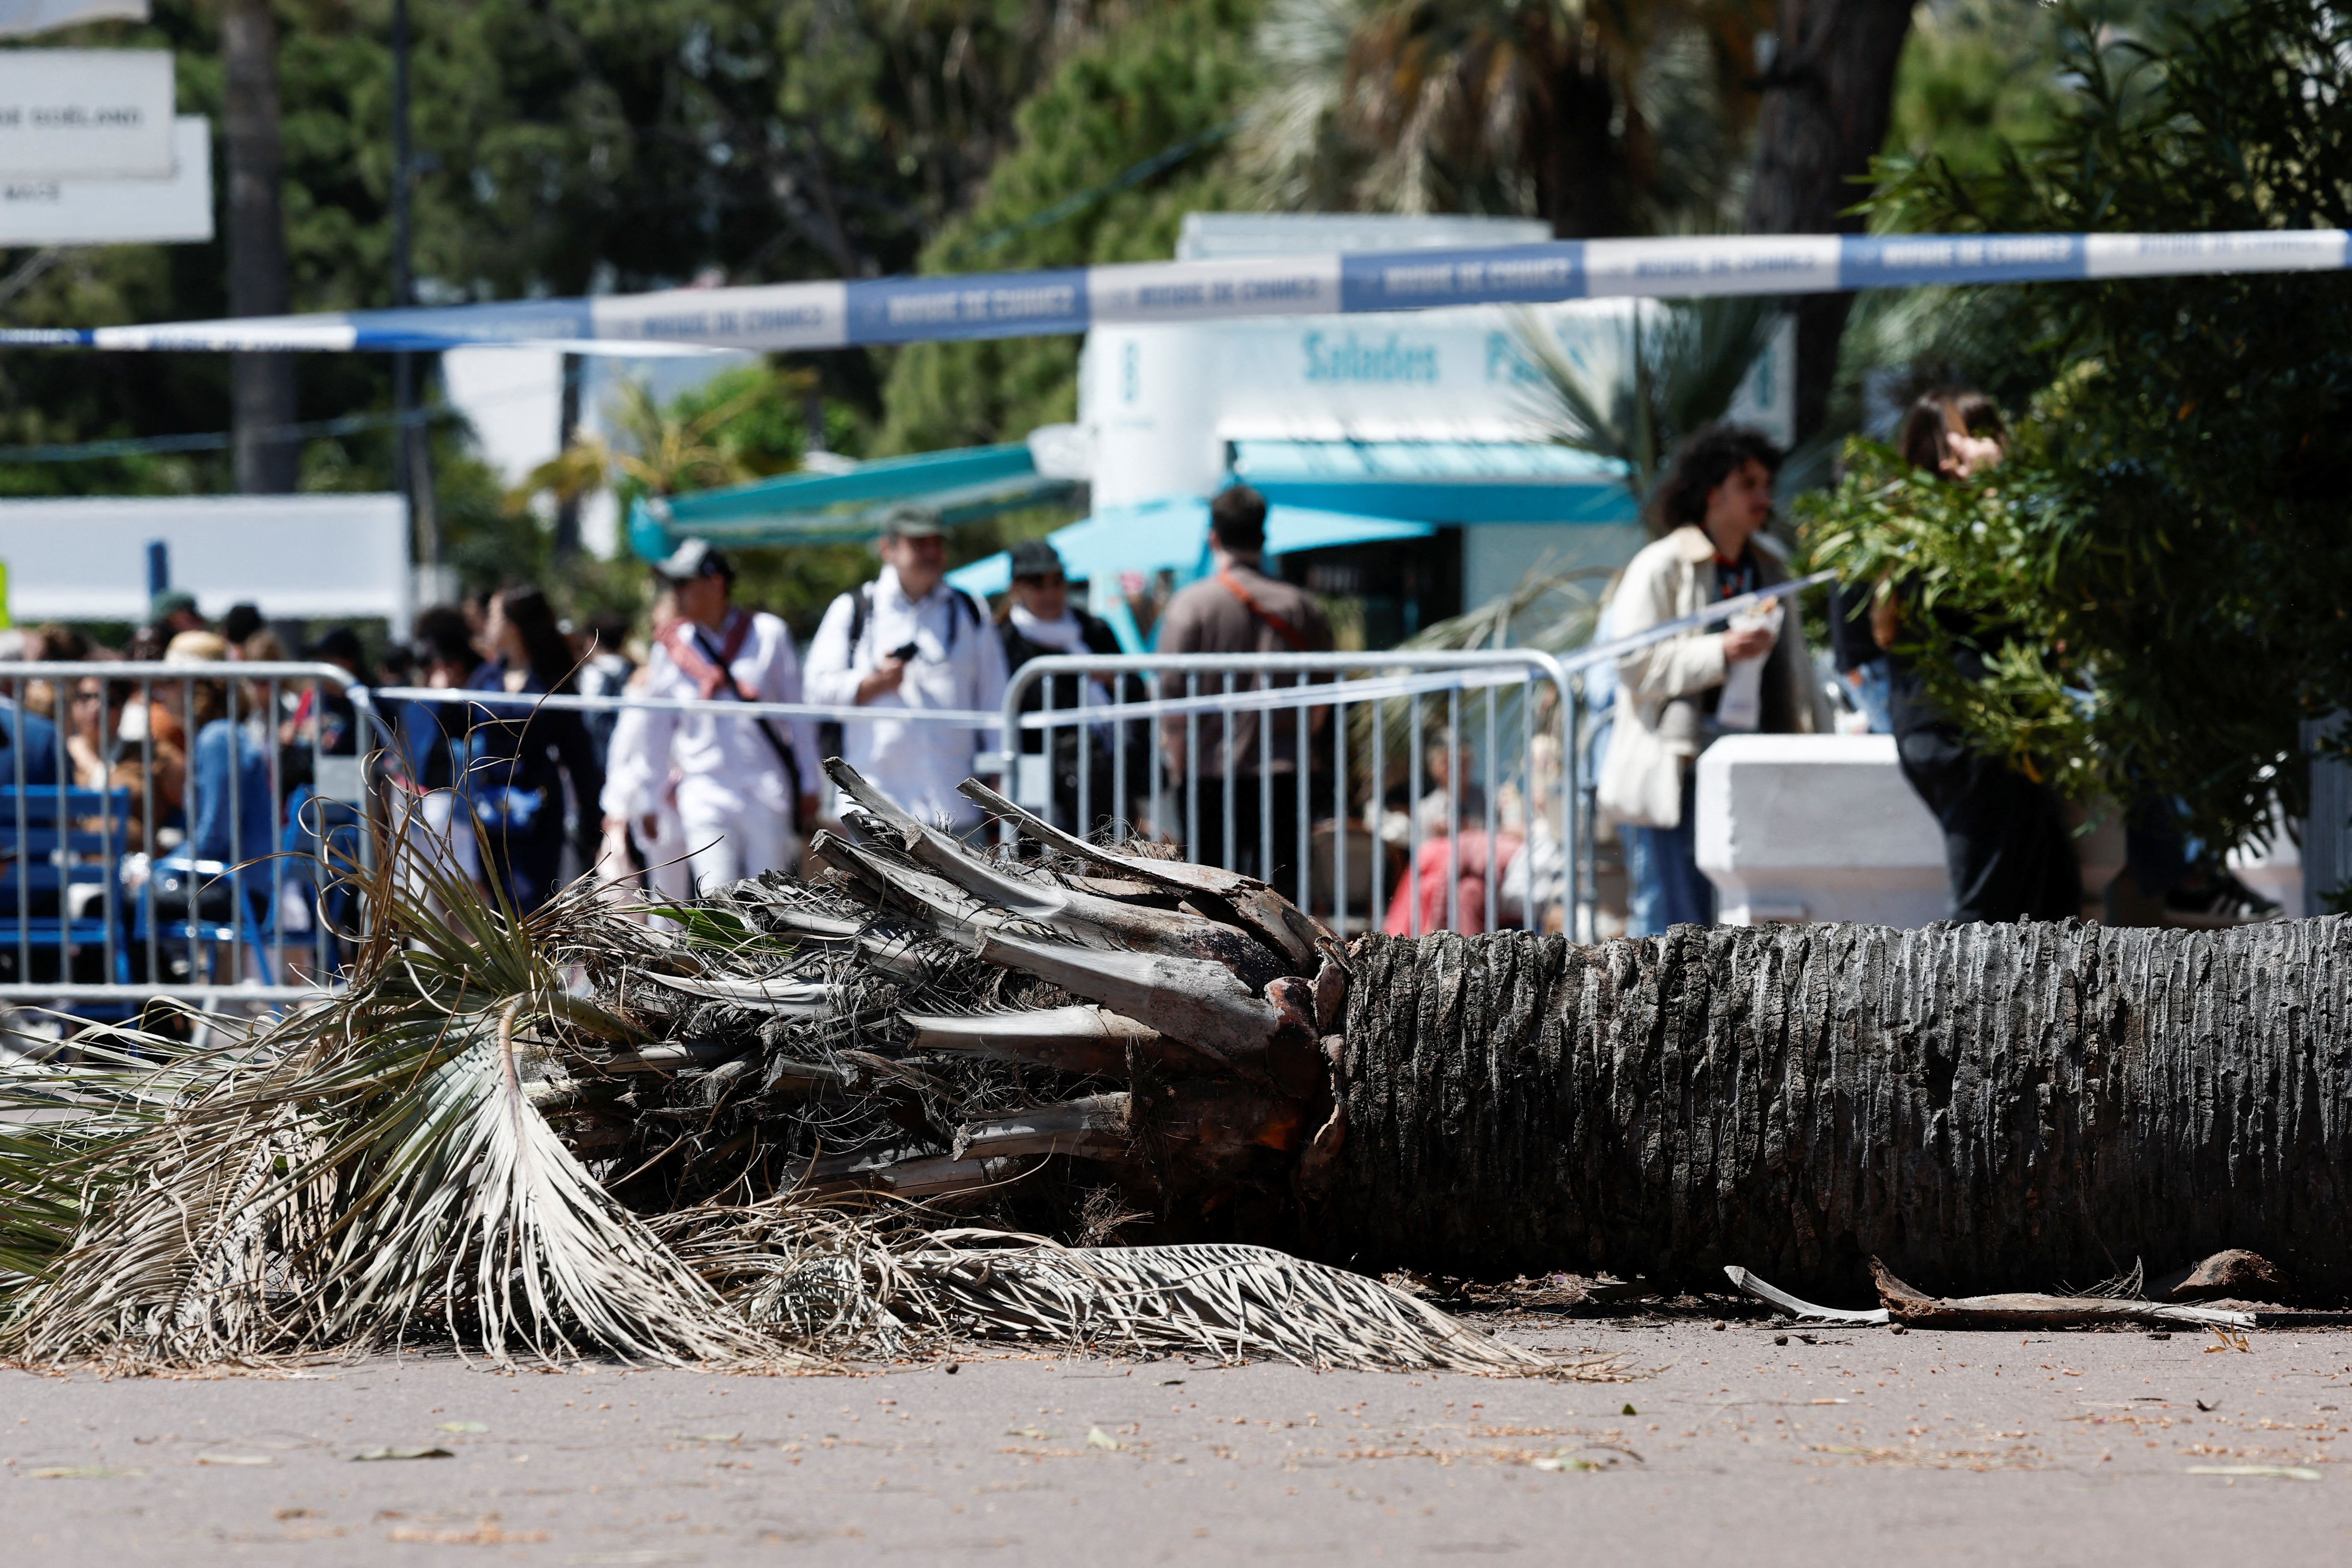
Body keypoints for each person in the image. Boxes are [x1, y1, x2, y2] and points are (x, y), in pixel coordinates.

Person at [1599, 422, 1830, 935]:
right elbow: (1632, 662)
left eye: (1766, 485)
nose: (1762, 498)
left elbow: (1798, 669)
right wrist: (1720, 652)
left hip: (1760, 764)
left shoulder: (1771, 565)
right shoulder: (1660, 565)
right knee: (1672, 924)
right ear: (1711, 493)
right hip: (1679, 768)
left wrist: (1823, 741)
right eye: (1747, 484)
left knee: (1748, 925)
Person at [1878, 391, 2081, 924]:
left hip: (1956, 730)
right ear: (1952, 457)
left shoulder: (1900, 530)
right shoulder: (1955, 534)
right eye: (1981, 438)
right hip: (1971, 735)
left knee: (2044, 900)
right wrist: (1999, 489)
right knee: (1987, 915)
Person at [600, 539, 816, 895]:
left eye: (684, 583)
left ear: (716, 583)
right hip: (704, 788)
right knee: (717, 897)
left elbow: (799, 715)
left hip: (766, 787)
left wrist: (809, 782)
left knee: (774, 900)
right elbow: (656, 730)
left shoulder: (768, 634)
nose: (677, 593)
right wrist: (650, 796)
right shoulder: (672, 648)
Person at [1152, 485, 1333, 891]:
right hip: (1286, 769)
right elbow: (1321, 700)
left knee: (1210, 895)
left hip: (1209, 771)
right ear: (1263, 538)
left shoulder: (1191, 606)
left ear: (1213, 538)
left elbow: (1172, 700)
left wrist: (1179, 765)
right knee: (1283, 899)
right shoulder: (1301, 606)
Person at [806, 507, 1008, 833]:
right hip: (875, 806)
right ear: (887, 549)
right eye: (919, 543)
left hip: (955, 806)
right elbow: (815, 692)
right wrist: (872, 684)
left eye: (937, 543)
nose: (931, 553)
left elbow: (995, 696)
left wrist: (1000, 771)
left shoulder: (969, 609)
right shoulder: (854, 608)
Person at [459, 583, 605, 912]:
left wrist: (593, 819)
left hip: (538, 809)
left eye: (494, 616)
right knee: (496, 904)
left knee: (532, 903)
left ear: (514, 625)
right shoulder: (484, 677)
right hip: (489, 807)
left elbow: (578, 752)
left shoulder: (552, 680)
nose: (487, 624)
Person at [996, 537, 1131, 836]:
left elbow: (1135, 690)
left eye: (1057, 582)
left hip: (1103, 775)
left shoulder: (1094, 631)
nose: (1050, 593)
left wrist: (1112, 679)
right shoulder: (1001, 641)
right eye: (1038, 584)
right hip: (1035, 777)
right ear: (1016, 588)